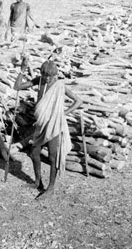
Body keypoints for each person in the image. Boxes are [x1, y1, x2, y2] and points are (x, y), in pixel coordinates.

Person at [14, 54, 82, 199]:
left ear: (55, 75)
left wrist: (64, 113)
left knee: (52, 157)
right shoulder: (39, 81)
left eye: (50, 76)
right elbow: (17, 87)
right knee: (34, 153)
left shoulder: (59, 85)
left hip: (54, 125)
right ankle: (38, 182)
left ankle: (50, 188)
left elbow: (78, 101)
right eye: (45, 76)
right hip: (40, 124)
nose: (47, 79)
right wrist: (22, 70)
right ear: (41, 73)